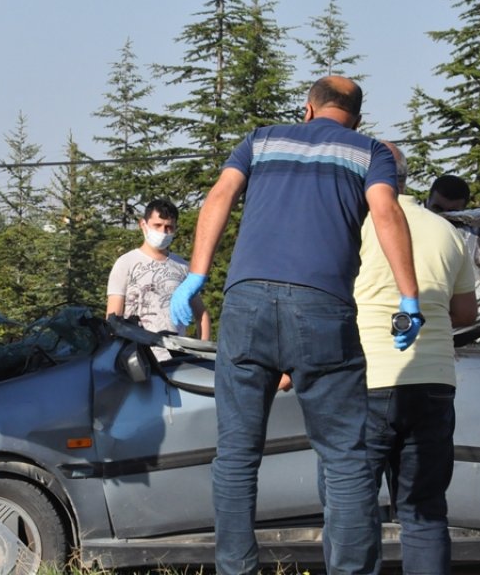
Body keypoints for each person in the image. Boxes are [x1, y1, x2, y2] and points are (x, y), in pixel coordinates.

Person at [170, 75, 422, 575]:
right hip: (322, 308)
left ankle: (235, 570)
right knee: (345, 459)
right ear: (356, 117)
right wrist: (409, 298)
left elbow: (220, 195)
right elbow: (387, 212)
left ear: (307, 109)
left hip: (246, 302)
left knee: (237, 456)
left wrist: (196, 273)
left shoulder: (262, 139)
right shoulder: (370, 152)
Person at [353, 143, 477, 573]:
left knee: (353, 508)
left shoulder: (358, 224)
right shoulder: (447, 231)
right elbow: (465, 313)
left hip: (368, 378)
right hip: (434, 381)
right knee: (424, 512)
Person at [107, 199, 210, 341]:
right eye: (157, 225)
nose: (163, 231)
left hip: (177, 358)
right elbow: (113, 318)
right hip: (138, 358)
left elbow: (201, 314)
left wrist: (203, 350)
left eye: (169, 227)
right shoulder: (125, 263)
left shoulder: (184, 267)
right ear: (143, 224)